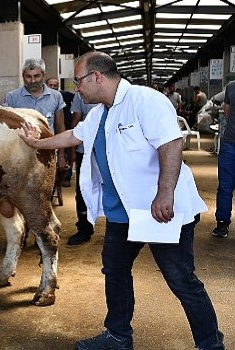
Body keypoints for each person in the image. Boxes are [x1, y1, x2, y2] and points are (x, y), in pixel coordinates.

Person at [18, 51, 225, 350]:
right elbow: (74, 135)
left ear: (97, 77)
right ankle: (118, 335)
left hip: (158, 210)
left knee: (181, 279)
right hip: (122, 214)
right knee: (114, 270)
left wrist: (164, 193)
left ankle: (210, 344)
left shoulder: (145, 101)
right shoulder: (102, 112)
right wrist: (37, 142)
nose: (77, 89)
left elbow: (171, 144)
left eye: (79, 82)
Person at [4, 58, 67, 171]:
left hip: (49, 152)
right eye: (28, 76)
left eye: (37, 76)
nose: (32, 81)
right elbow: (6, 129)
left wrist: (61, 155)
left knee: (48, 186)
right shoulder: (12, 97)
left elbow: (60, 127)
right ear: (23, 76)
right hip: (21, 154)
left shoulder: (56, 96)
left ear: (43, 75)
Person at [65, 92, 97, 245]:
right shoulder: (81, 93)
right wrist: (72, 151)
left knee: (115, 188)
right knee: (83, 188)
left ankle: (118, 229)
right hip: (84, 150)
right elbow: (75, 122)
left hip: (112, 151)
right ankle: (84, 228)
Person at [212, 80, 235, 238]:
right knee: (225, 186)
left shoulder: (231, 86)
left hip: (229, 142)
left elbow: (227, 111)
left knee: (225, 186)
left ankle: (222, 225)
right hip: (229, 143)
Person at [46, 76, 75, 187]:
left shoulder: (65, 96)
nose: (53, 87)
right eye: (51, 85)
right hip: (48, 135)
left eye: (55, 85)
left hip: (63, 130)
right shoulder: (43, 99)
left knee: (64, 154)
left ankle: (65, 177)